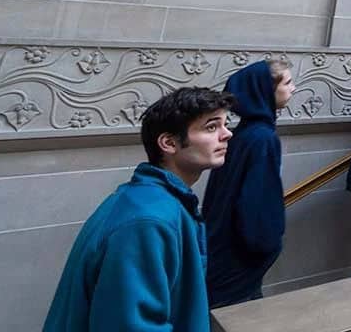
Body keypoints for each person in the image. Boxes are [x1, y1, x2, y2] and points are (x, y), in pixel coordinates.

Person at [43, 87, 234, 332]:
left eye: (225, 125)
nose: (227, 134)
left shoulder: (158, 202)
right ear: (169, 143)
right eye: (211, 127)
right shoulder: (148, 220)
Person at [202, 59, 296, 308]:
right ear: (265, 90)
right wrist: (267, 246)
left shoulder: (244, 133)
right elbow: (257, 202)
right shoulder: (262, 138)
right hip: (237, 258)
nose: (293, 88)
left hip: (222, 248)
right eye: (287, 83)